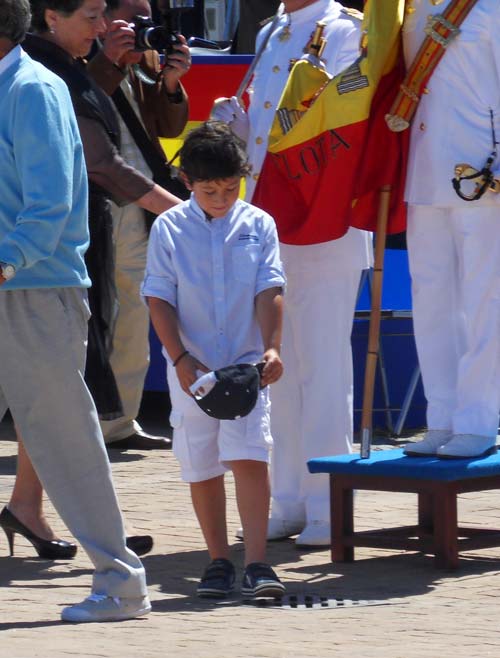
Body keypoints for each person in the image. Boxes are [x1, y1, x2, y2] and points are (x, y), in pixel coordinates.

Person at [1, 0, 182, 560]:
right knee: (63, 418)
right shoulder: (43, 77)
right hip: (31, 272)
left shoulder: (36, 85)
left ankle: (116, 569)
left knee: (66, 422)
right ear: (49, 19)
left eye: (107, 15)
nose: (105, 28)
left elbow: (56, 196)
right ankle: (55, 523)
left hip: (34, 278)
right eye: (94, 15)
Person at [212, 0, 372, 546]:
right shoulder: (272, 31)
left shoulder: (347, 31)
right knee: (276, 368)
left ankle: (330, 504)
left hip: (323, 223)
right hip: (268, 223)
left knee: (323, 369)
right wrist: (237, 126)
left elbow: (341, 127)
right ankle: (289, 498)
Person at [142, 121, 287, 599]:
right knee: (201, 465)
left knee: (250, 457)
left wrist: (272, 346)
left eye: (230, 187)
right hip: (192, 370)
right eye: (209, 190)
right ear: (187, 182)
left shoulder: (259, 223)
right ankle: (218, 560)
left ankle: (260, 563)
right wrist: (179, 357)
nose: (222, 198)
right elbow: (159, 298)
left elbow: (270, 288)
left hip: (246, 366)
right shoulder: (169, 228)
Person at [86, 0, 191, 451]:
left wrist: (170, 83)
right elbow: (83, 103)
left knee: (133, 308)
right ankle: (87, 421)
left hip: (139, 199)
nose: (141, 26)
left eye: (146, 17)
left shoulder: (145, 54)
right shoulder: (80, 51)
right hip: (96, 196)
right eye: (132, 16)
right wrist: (109, 59)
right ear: (104, 16)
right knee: (97, 312)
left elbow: (168, 126)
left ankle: (121, 422)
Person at [400, 0, 500, 459]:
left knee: (485, 299)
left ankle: (478, 419)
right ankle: (441, 416)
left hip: (482, 171)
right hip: (424, 171)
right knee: (432, 299)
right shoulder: (411, 8)